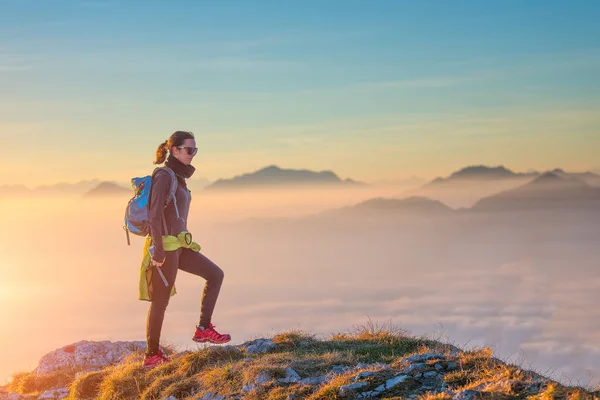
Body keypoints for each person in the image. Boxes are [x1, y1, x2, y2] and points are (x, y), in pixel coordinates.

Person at [143, 130, 231, 369]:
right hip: (167, 248)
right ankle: (152, 354)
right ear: (174, 150)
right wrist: (158, 250)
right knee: (161, 300)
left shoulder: (178, 177)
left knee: (215, 275)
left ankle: (203, 329)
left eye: (195, 150)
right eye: (189, 150)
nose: (193, 154)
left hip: (180, 245)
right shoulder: (164, 175)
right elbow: (154, 213)